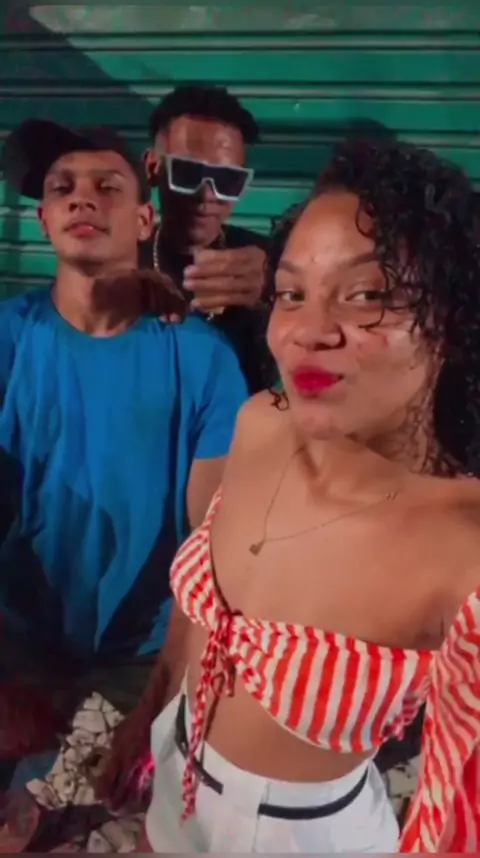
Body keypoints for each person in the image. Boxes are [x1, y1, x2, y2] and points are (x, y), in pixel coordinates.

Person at [139, 137, 480, 852]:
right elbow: (200, 618)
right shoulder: (259, 425)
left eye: (367, 295)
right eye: (292, 293)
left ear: (453, 319)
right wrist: (151, 719)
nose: (308, 332)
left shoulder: (463, 548)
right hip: (175, 772)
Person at [0, 118, 248, 851]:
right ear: (42, 220)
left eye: (107, 187)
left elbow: (216, 548)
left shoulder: (202, 358)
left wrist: (163, 695)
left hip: (143, 651)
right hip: (17, 638)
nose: (83, 199)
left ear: (144, 219)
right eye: (63, 188)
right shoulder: (9, 338)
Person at [139, 83, 272, 393]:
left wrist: (281, 292)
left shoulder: (269, 264)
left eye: (228, 180)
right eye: (187, 173)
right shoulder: (119, 261)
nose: (207, 195)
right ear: (153, 167)